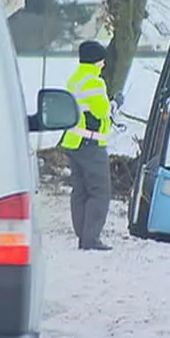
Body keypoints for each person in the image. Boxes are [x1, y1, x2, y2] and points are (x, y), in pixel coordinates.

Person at [60, 40, 115, 251]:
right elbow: (101, 111)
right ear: (96, 59)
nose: (103, 64)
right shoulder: (94, 81)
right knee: (100, 191)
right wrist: (114, 103)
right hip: (90, 142)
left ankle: (82, 235)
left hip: (74, 140)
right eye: (102, 60)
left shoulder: (75, 79)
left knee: (80, 190)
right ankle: (91, 239)